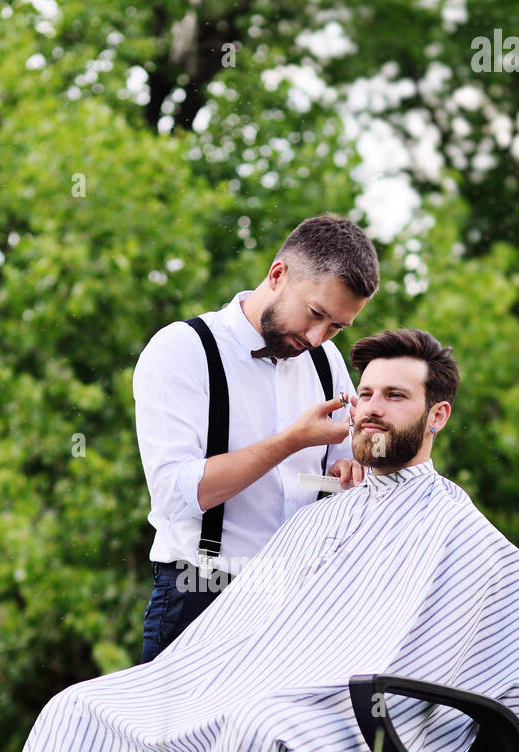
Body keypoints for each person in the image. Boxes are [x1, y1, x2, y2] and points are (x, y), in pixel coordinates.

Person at [0, 329, 519, 752]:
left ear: (437, 415)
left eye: (395, 396)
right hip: (261, 695)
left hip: (361, 724)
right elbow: (244, 635)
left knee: (255, 726)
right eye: (366, 393)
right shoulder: (320, 517)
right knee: (76, 710)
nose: (372, 407)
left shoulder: (465, 537)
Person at [135, 213, 379, 665]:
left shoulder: (327, 364)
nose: (316, 337)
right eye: (315, 314)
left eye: (335, 328)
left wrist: (346, 475)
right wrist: (290, 441)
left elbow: (328, 481)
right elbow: (176, 494)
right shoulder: (182, 350)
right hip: (202, 595)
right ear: (277, 274)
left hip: (300, 606)